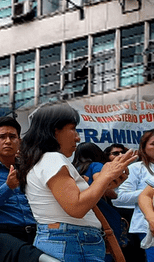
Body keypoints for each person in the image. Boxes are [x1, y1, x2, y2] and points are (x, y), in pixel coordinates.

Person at [17, 104, 136, 262]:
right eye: (73, 128)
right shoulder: (52, 159)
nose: (78, 137)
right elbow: (76, 207)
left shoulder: (42, 160)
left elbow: (73, 202)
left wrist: (106, 183)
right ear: (54, 130)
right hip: (73, 242)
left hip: (66, 241)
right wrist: (106, 176)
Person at [117, 129, 154, 261]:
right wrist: (147, 193)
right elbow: (119, 198)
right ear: (143, 147)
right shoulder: (137, 168)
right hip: (148, 226)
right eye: (153, 144)